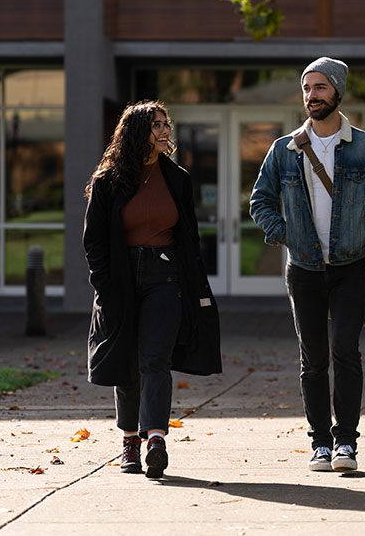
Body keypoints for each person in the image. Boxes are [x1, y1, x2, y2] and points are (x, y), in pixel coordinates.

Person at [249, 57, 365, 473]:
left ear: (337, 91)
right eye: (306, 88)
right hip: (303, 268)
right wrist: (285, 233)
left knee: (346, 353)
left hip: (350, 266)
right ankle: (319, 443)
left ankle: (346, 444)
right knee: (313, 358)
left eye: (319, 88)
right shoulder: (285, 149)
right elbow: (259, 201)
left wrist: (364, 230)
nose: (311, 96)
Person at [83, 101, 222, 479]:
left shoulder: (177, 178)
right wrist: (104, 284)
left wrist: (196, 285)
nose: (165, 130)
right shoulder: (108, 181)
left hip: (166, 277)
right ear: (135, 132)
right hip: (122, 280)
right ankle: (130, 440)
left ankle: (156, 438)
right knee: (127, 360)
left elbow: (188, 237)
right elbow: (93, 240)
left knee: (155, 358)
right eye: (156, 125)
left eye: (166, 124)